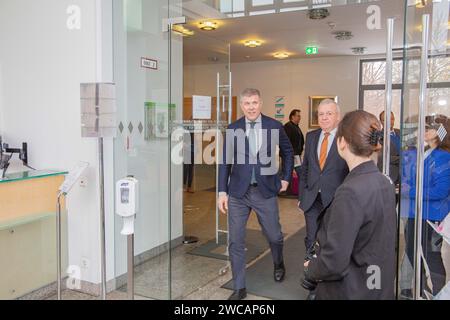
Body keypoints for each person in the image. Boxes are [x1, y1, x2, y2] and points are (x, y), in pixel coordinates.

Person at [303, 110, 397, 300]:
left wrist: (311, 269)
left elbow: (333, 262)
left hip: (352, 289)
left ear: (342, 142)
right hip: (376, 284)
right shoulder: (384, 182)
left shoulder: (350, 192)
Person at [218, 88, 294, 300]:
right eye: (247, 103)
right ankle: (239, 286)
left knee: (274, 235)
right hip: (238, 193)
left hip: (265, 190)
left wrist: (286, 178)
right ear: (242, 106)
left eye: (254, 102)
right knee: (235, 240)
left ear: (261, 103)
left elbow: (288, 152)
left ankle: (278, 262)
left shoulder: (274, 125)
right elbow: (225, 162)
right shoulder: (233, 128)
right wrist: (222, 191)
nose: (251, 107)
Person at [400, 115, 450, 297]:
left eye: (428, 128)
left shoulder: (443, 157)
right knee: (414, 254)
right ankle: (423, 290)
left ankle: (438, 293)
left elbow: (441, 191)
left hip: (431, 215)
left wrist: (409, 190)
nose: (423, 131)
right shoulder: (424, 152)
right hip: (416, 213)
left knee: (431, 256)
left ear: (440, 132)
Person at [298, 99, 348, 262]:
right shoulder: (311, 136)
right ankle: (311, 269)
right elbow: (305, 168)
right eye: (321, 114)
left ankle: (329, 270)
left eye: (329, 113)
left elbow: (350, 171)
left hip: (335, 199)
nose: (324, 117)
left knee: (332, 239)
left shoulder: (345, 138)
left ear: (338, 117)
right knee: (311, 237)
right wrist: (302, 195)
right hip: (311, 197)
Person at [284, 109, 305, 179]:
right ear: (292, 117)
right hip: (291, 156)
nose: (300, 118)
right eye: (298, 116)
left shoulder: (296, 127)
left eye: (300, 116)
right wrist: (290, 156)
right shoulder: (288, 126)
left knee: (299, 175)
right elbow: (286, 143)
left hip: (296, 155)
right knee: (298, 174)